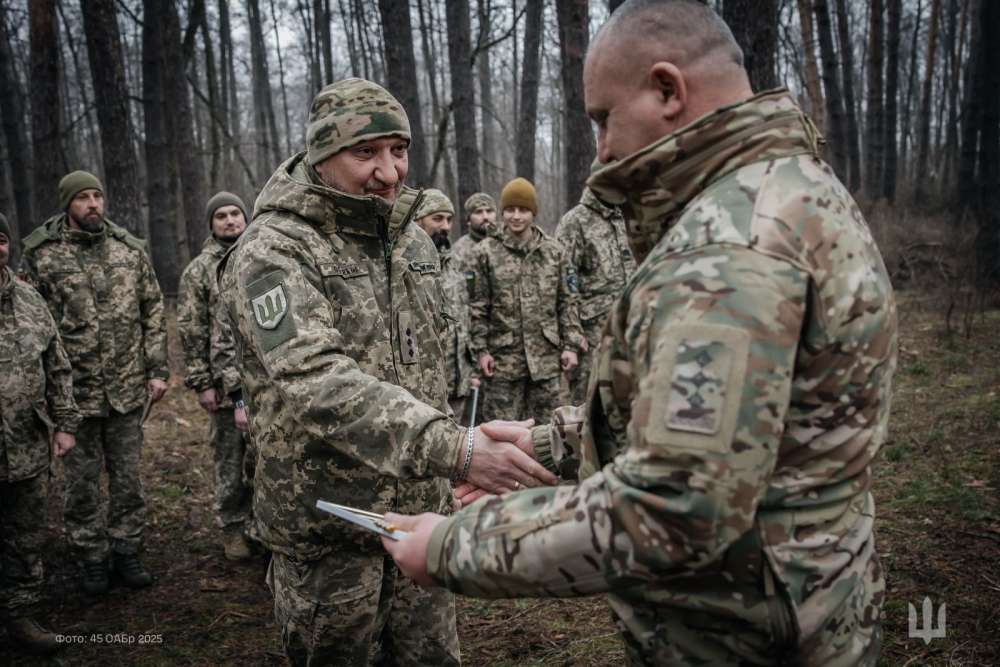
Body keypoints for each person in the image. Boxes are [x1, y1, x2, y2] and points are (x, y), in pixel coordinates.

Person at [382, 2, 897, 665]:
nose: (601, 148)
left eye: (602, 118)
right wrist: (553, 439)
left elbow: (671, 505)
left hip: (742, 632)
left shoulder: (732, 244)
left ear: (666, 89)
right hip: (804, 600)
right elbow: (756, 420)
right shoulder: (791, 188)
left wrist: (451, 544)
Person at [217, 78, 557, 666]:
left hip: (421, 519)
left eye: (398, 150)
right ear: (321, 154)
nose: (389, 172)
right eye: (365, 153)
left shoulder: (413, 243)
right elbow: (315, 382)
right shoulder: (274, 250)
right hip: (329, 528)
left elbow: (423, 370)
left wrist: (453, 459)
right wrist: (457, 448)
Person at [19, 171, 169, 595]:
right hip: (74, 395)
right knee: (80, 484)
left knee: (128, 479)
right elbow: (33, 328)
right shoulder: (42, 256)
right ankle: (90, 556)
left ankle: (126, 549)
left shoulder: (127, 251)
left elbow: (153, 311)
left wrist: (157, 371)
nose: (94, 205)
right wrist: (46, 393)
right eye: (84, 198)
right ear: (68, 204)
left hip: (125, 388)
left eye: (98, 196)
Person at [0, 214, 79, 653]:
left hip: (27, 445)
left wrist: (65, 423)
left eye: (0, 240)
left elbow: (57, 365)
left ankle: (20, 616)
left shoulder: (30, 300)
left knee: (26, 534)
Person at [177, 191, 254, 561]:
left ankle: (262, 526)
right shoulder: (198, 271)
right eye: (221, 215)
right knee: (229, 461)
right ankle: (233, 527)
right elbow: (191, 330)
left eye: (236, 214)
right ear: (211, 223)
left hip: (263, 386)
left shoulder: (260, 256)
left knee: (264, 461)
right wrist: (203, 382)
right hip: (223, 389)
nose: (230, 221)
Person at [469, 177, 583, 425]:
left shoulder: (553, 252)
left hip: (545, 359)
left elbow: (567, 301)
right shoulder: (485, 253)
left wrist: (570, 345)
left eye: (523, 210)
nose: (516, 216)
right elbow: (478, 306)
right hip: (503, 361)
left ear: (533, 212)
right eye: (510, 210)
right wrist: (482, 351)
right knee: (501, 431)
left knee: (549, 432)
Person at [555, 178, 636, 404]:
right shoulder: (575, 222)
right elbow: (564, 284)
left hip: (630, 326)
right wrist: (572, 337)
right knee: (589, 405)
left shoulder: (628, 217)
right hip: (591, 335)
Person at [411, 189, 479, 422]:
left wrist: (471, 368)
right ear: (418, 221)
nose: (446, 226)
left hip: (458, 380)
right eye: (437, 218)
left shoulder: (454, 263)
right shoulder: (405, 265)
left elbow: (465, 315)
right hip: (423, 388)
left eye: (449, 220)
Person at [451, 192, 498, 280]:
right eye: (478, 212)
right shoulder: (458, 251)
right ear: (468, 219)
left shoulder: (506, 244)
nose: (485, 217)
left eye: (489, 211)